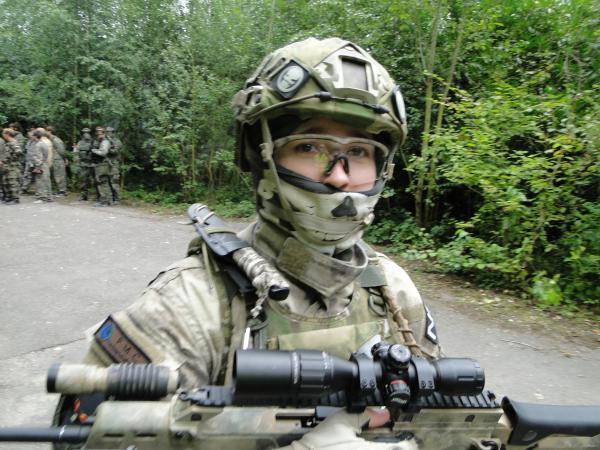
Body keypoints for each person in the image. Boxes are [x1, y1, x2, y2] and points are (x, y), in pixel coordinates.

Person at [56, 38, 439, 449]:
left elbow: (437, 416)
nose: (340, 177)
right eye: (310, 147)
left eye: (360, 152)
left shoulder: (391, 288)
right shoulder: (187, 306)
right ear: (261, 158)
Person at [90, 126, 112, 206]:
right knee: (100, 182)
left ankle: (105, 201)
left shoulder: (105, 142)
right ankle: (104, 200)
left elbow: (103, 153)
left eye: (100, 133)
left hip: (103, 164)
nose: (98, 134)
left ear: (103, 133)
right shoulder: (101, 141)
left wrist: (93, 150)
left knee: (102, 181)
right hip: (100, 164)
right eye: (97, 133)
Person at [0, 129, 23, 204]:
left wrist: (8, 159)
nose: (2, 135)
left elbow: (18, 152)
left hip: (12, 166)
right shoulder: (8, 143)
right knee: (7, 182)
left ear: (7, 134)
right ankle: (9, 197)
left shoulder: (13, 142)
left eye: (3, 133)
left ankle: (15, 199)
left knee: (13, 182)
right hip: (7, 166)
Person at [31, 127, 53, 203]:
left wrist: (38, 166)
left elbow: (38, 157)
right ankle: (49, 197)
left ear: (35, 136)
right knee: (46, 181)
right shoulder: (43, 143)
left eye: (33, 136)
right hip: (44, 164)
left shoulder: (38, 145)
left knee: (41, 181)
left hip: (41, 166)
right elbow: (46, 154)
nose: (32, 137)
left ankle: (42, 198)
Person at [46, 126, 68, 196]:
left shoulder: (56, 140)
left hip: (58, 161)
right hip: (53, 161)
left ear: (50, 132)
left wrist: (65, 159)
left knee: (60, 175)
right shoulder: (50, 140)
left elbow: (62, 151)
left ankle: (63, 191)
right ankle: (59, 190)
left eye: (46, 131)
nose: (45, 132)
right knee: (56, 176)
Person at [73, 128, 94, 201]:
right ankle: (83, 195)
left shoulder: (93, 142)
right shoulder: (80, 142)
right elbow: (76, 152)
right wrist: (77, 160)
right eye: (84, 133)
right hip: (83, 163)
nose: (86, 134)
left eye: (87, 132)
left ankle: (100, 196)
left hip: (92, 163)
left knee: (96, 180)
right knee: (83, 180)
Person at [105, 126, 122, 203]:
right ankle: (109, 198)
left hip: (114, 164)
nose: (108, 134)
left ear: (113, 133)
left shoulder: (117, 141)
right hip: (106, 163)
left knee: (114, 181)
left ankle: (117, 198)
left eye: (109, 132)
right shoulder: (105, 141)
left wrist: (108, 147)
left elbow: (115, 151)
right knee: (106, 181)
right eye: (107, 132)